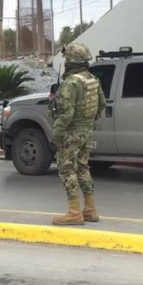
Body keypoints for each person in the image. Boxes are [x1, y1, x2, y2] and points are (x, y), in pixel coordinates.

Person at [50, 43, 107, 226]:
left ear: (72, 61)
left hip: (71, 133)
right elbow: (102, 104)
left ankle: (74, 212)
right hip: (86, 132)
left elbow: (66, 113)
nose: (65, 62)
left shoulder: (71, 83)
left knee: (67, 169)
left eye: (66, 59)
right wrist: (89, 122)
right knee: (83, 167)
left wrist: (56, 134)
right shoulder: (92, 79)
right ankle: (90, 209)